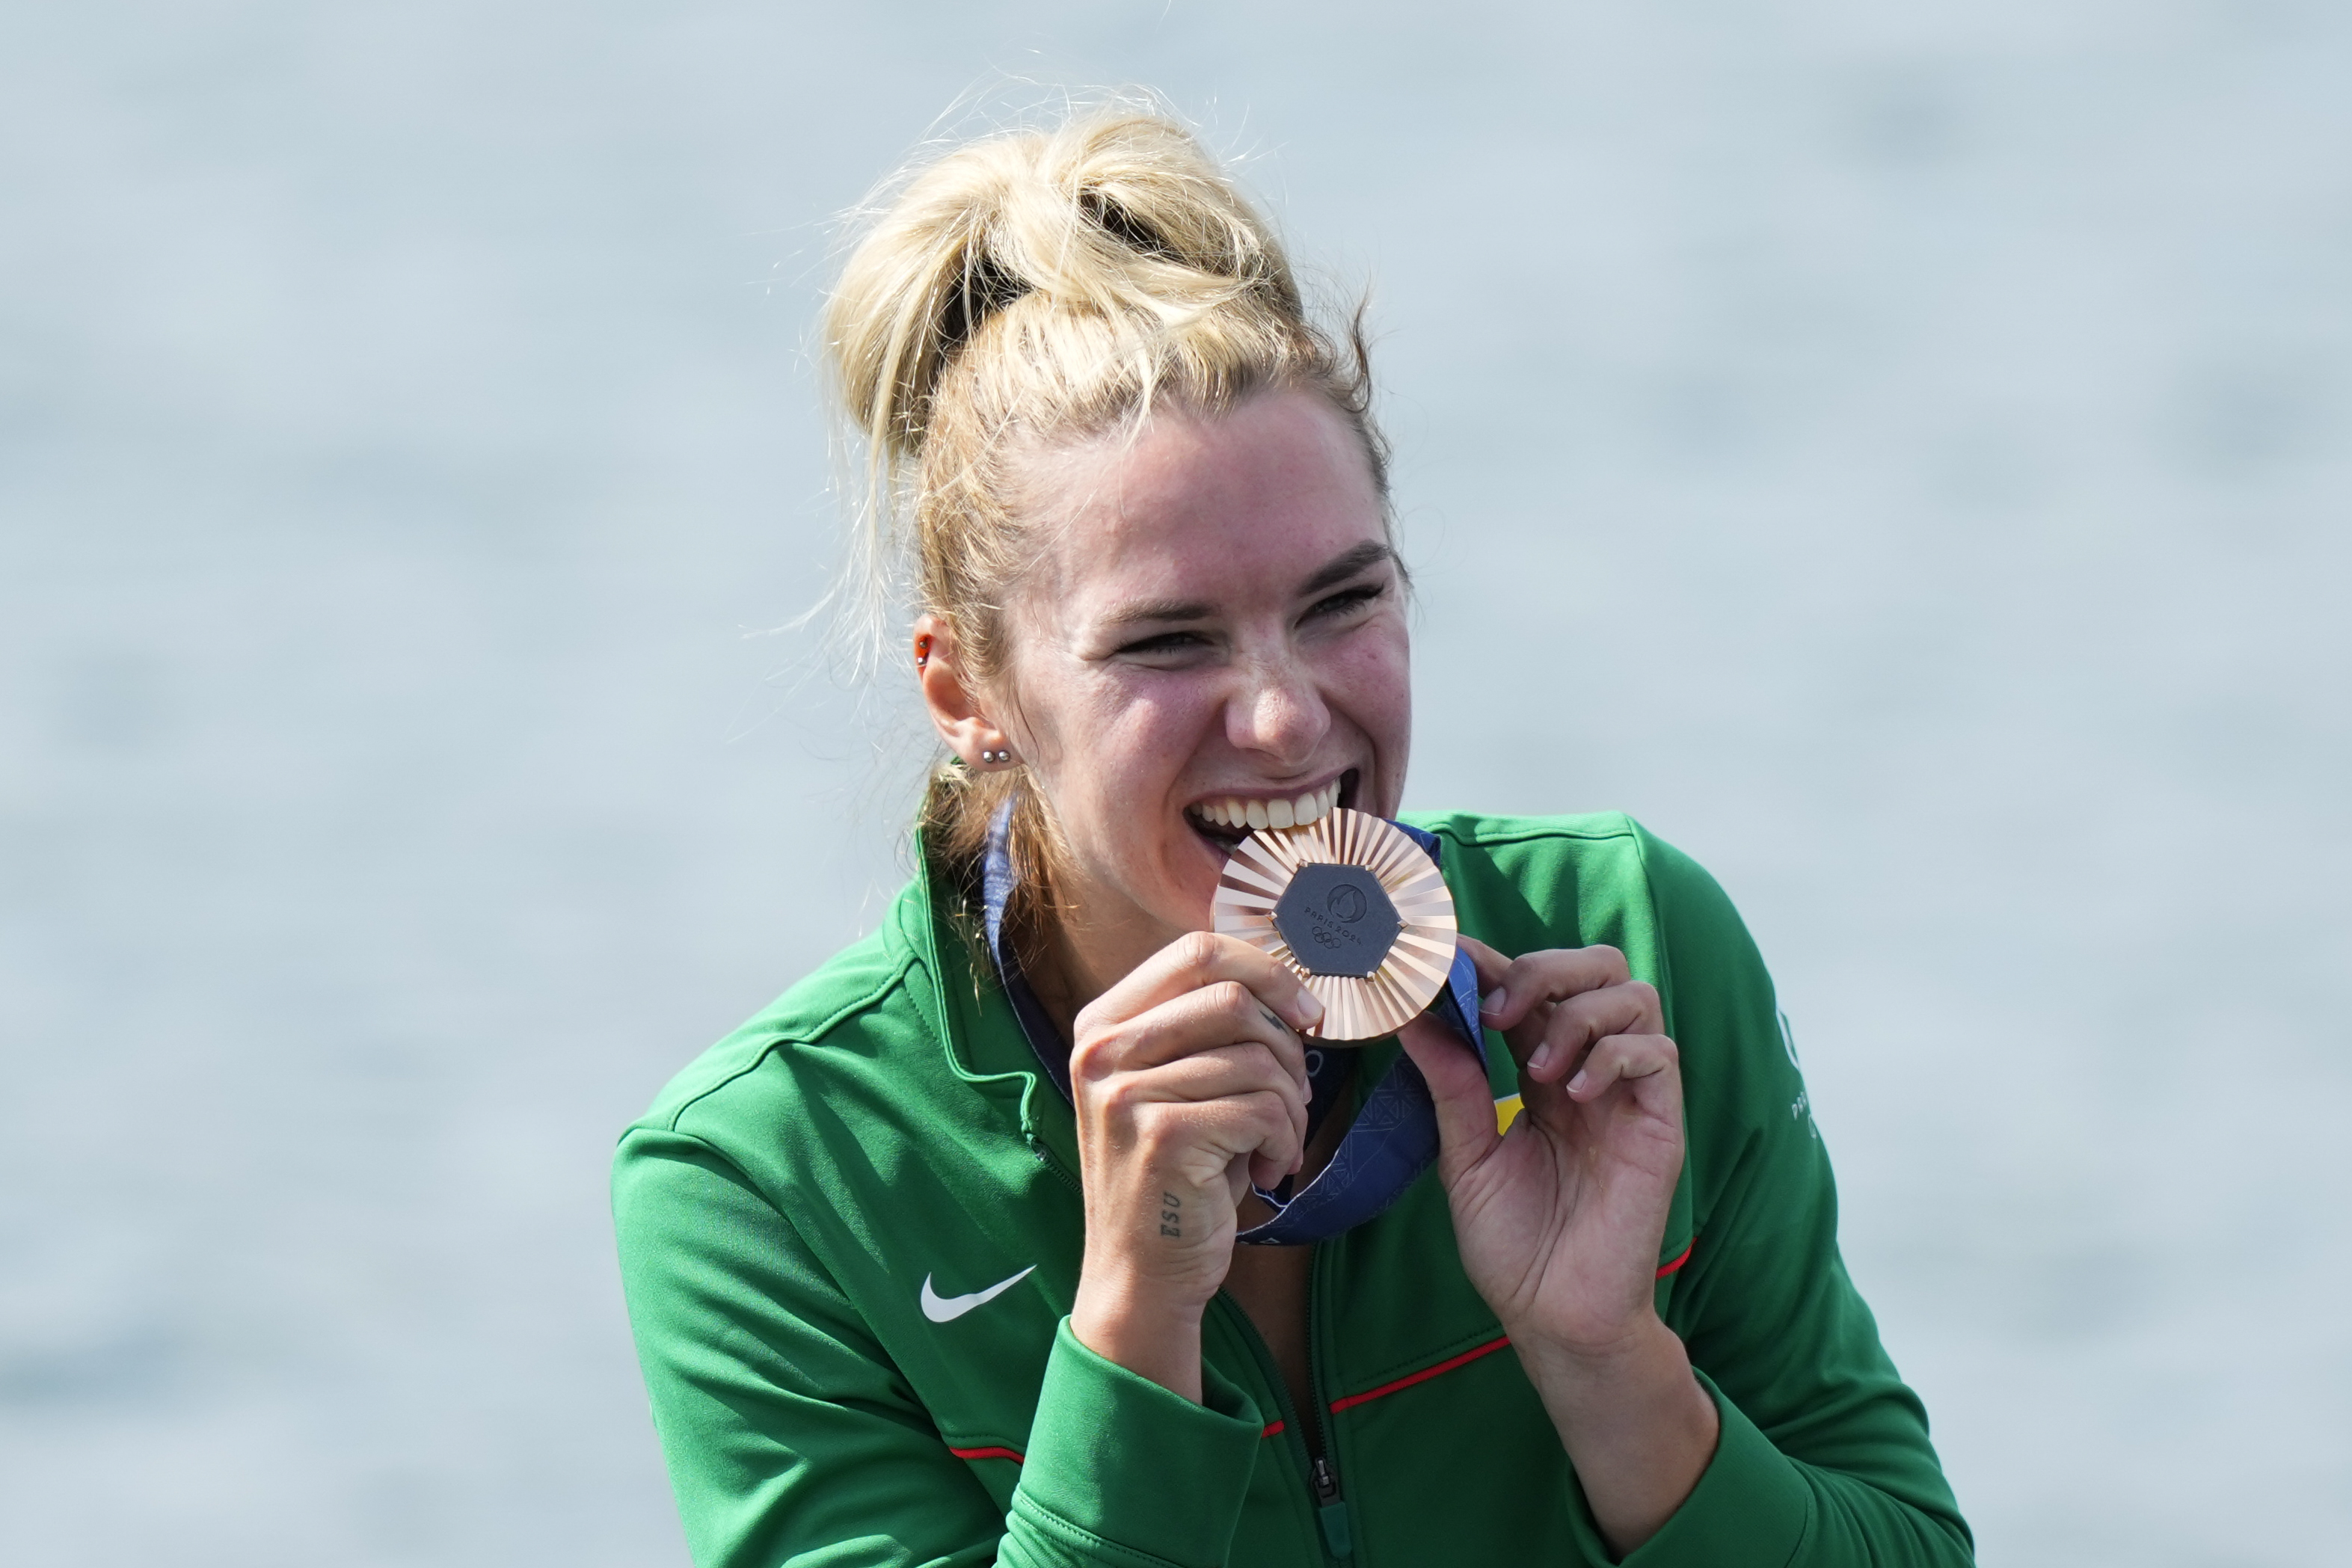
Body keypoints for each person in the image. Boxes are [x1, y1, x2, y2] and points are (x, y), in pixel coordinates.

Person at [612, 107, 1972, 1568]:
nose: (1281, 717)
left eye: (1342, 601)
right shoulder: (777, 1177)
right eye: (1167, 638)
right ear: (969, 689)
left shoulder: (1625, 954)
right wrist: (1133, 1326)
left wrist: (1608, 1360)